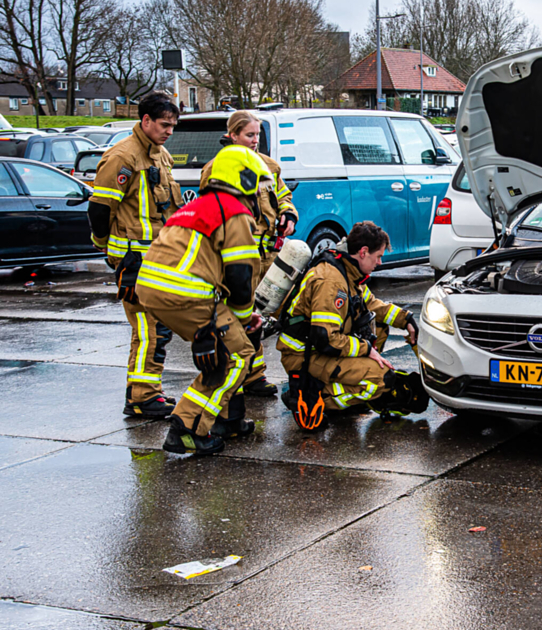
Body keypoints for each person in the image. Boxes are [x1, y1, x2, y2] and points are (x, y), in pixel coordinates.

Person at [136, 145, 272, 455]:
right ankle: (186, 428)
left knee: (221, 354)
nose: (260, 195)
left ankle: (224, 420)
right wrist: (244, 315)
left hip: (154, 289)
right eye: (260, 187)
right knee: (238, 355)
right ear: (246, 179)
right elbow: (240, 275)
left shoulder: (198, 205)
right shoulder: (234, 212)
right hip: (186, 292)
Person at [87, 91, 183, 418]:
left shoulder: (161, 156)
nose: (169, 130)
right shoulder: (123, 157)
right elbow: (100, 207)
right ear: (145, 121)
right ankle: (142, 397)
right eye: (164, 124)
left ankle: (145, 392)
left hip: (158, 258)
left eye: (173, 125)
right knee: (148, 327)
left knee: (158, 327)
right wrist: (103, 242)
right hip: (134, 261)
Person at [277, 221, 425, 425]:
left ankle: (348, 387)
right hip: (304, 355)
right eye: (378, 256)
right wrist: (366, 350)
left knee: (379, 324)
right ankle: (311, 396)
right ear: (363, 252)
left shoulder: (347, 270)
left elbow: (370, 304)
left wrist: (405, 319)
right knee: (379, 380)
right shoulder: (331, 282)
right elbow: (325, 339)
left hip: (318, 349)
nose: (380, 263)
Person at [199, 110, 298, 398]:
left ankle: (255, 375)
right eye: (248, 135)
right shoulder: (215, 168)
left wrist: (289, 215)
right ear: (232, 135)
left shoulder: (268, 166)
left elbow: (283, 197)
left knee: (265, 318)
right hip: (237, 257)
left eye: (258, 135)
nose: (255, 141)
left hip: (267, 256)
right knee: (241, 317)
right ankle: (246, 376)